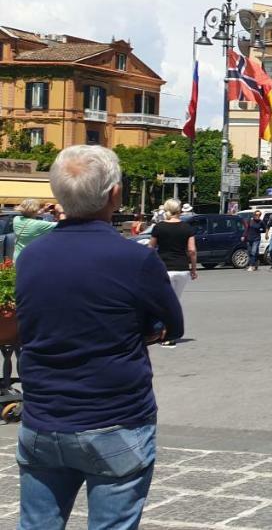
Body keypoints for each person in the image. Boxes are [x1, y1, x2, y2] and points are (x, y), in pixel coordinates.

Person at [16, 145, 183, 529]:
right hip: (116, 419)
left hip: (43, 419)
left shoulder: (31, 257)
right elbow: (173, 324)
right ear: (114, 194)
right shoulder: (134, 259)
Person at [147, 198, 196, 347]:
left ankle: (162, 334)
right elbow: (192, 250)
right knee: (174, 302)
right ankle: (170, 335)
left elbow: (150, 248)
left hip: (163, 268)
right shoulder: (187, 228)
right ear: (179, 210)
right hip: (182, 269)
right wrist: (193, 268)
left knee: (161, 302)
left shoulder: (159, 227)